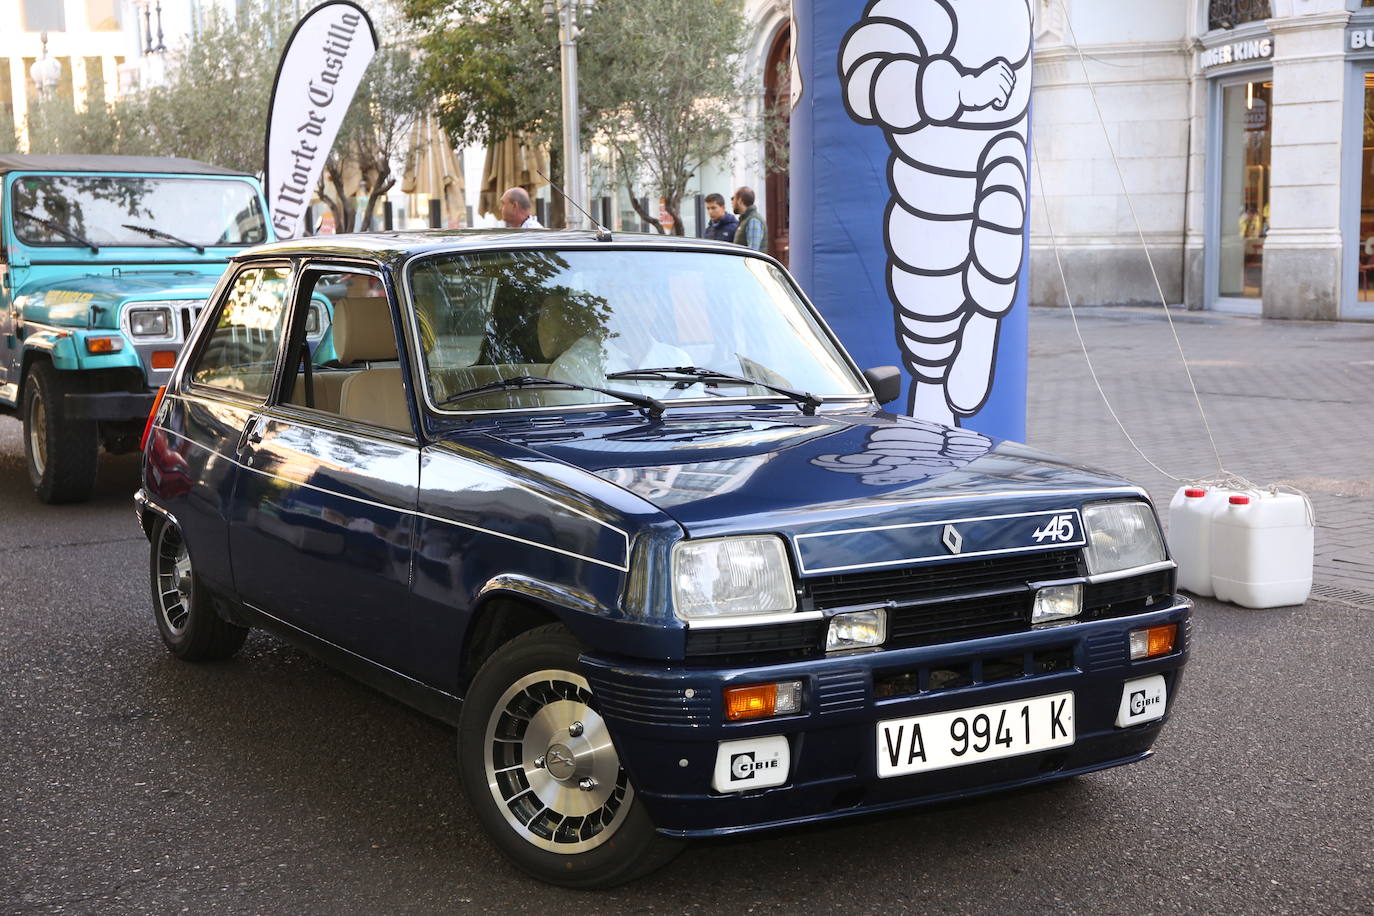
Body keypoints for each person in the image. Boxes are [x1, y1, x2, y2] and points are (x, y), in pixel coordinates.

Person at [732, 186, 767, 251]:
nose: (732, 202)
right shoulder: (746, 219)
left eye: (733, 198)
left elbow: (753, 251)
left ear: (740, 200)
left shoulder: (753, 220)